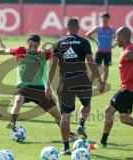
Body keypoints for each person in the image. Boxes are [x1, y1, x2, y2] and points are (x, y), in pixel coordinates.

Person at [0, 34, 75, 138]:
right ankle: (12, 122)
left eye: (35, 46)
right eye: (30, 46)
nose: (32, 48)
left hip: (40, 89)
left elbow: (56, 50)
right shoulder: (20, 51)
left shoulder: (43, 55)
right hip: (23, 88)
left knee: (56, 114)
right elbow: (5, 51)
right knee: (18, 100)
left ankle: (67, 132)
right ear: (27, 44)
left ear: (38, 45)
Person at [45, 17, 105, 155]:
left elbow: (52, 64)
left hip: (65, 82)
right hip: (82, 80)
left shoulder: (58, 43)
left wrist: (48, 85)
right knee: (86, 105)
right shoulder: (84, 42)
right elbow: (90, 61)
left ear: (67, 28)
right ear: (78, 28)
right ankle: (81, 125)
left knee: (65, 116)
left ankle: (66, 147)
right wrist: (100, 80)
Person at [86, 12, 116, 83]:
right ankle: (90, 82)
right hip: (99, 52)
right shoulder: (98, 28)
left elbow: (120, 36)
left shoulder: (111, 29)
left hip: (108, 52)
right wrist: (95, 41)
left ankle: (104, 83)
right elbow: (88, 34)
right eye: (102, 18)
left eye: (105, 17)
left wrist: (114, 46)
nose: (103, 19)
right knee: (95, 68)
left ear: (108, 19)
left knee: (106, 69)